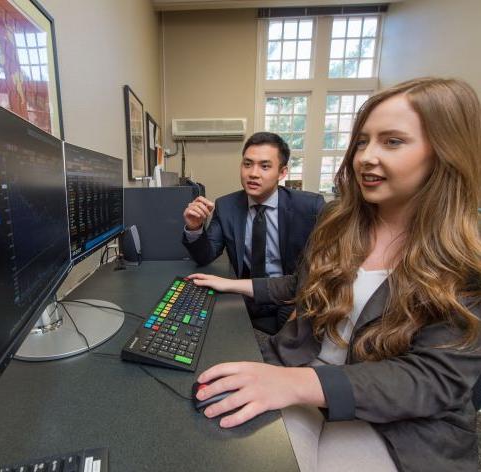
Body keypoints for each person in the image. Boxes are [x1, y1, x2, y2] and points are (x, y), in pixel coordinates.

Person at [187, 78, 481, 472]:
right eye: (362, 142)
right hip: (301, 372)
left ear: (446, 152)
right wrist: (225, 282)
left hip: (399, 423)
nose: (366, 157)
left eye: (392, 142)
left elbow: (431, 379)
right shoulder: (335, 221)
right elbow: (298, 285)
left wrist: (295, 385)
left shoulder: (466, 257)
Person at [182, 131, 325, 333]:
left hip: (292, 301)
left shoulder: (310, 207)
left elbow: (317, 276)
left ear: (282, 172)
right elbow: (205, 256)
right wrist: (195, 227)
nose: (253, 173)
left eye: (265, 166)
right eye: (247, 164)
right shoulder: (227, 206)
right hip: (245, 301)